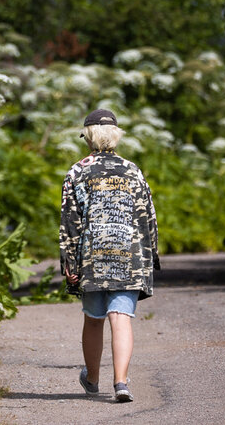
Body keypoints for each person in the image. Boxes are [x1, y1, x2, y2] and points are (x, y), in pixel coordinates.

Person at [59, 108, 160, 402]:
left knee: (93, 318)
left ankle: (92, 379)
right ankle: (121, 383)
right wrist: (150, 254)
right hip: (129, 254)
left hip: (92, 256)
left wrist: (69, 262)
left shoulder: (77, 172)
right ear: (116, 136)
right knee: (121, 316)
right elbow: (148, 216)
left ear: (88, 138)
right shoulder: (133, 170)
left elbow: (70, 221)